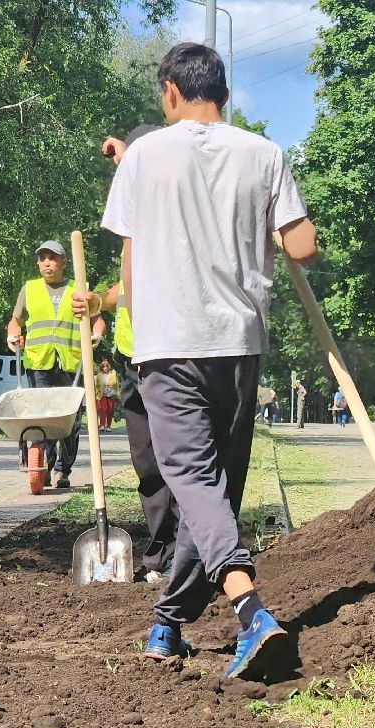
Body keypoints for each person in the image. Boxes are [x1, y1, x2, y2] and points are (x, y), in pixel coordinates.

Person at [93, 42, 318, 678]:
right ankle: (167, 624)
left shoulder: (143, 158)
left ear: (170, 91)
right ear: (221, 90)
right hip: (240, 346)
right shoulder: (265, 154)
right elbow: (302, 247)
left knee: (191, 479)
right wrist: (272, 226)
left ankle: (250, 612)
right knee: (211, 490)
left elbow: (132, 262)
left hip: (168, 345)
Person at [92, 121, 181, 584]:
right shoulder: (133, 222)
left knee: (179, 457)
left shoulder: (170, 212)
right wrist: (97, 303)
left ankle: (194, 552)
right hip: (131, 356)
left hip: (170, 355)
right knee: (147, 461)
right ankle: (164, 550)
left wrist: (130, 157)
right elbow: (124, 286)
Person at [6, 240, 83, 490]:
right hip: (39, 361)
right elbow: (15, 320)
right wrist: (12, 334)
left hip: (71, 362)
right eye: (42, 258)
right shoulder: (29, 289)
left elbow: (98, 319)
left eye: (52, 257)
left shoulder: (78, 288)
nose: (46, 262)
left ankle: (63, 468)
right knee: (43, 417)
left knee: (70, 420)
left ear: (64, 262)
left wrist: (96, 334)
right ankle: (44, 468)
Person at [96, 358, 119, 428]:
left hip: (111, 393)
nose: (105, 368)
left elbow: (117, 385)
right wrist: (97, 392)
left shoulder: (113, 374)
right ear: (101, 368)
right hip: (101, 394)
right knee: (102, 409)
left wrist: (118, 394)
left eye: (106, 366)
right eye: (103, 366)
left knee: (110, 409)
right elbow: (96, 385)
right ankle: (102, 425)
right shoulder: (99, 375)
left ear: (108, 367)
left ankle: (108, 426)